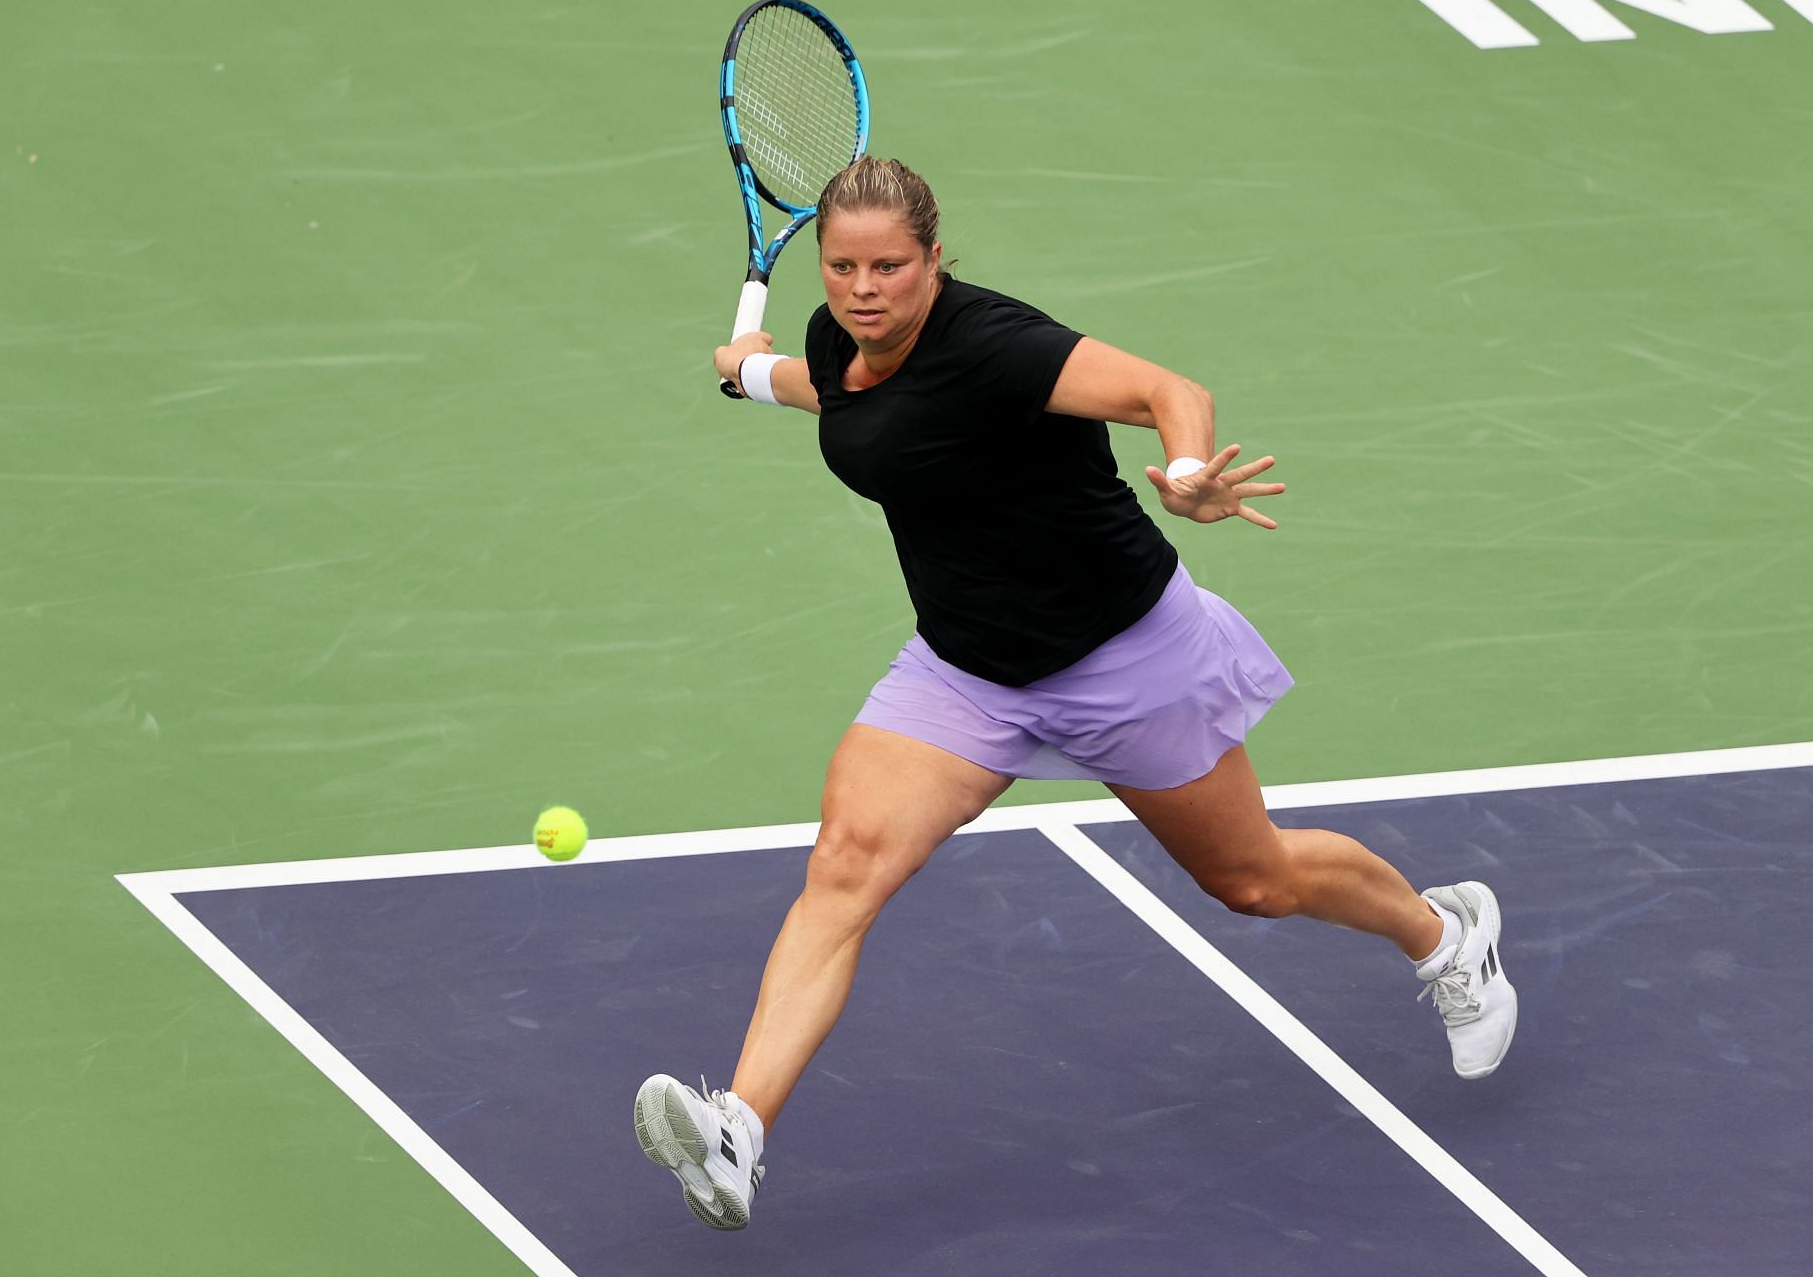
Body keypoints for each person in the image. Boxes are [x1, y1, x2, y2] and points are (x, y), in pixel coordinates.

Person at [632, 157, 1515, 1231]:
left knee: (1254, 880)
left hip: (1123, 658)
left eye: (892, 267)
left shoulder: (1000, 346)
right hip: (966, 672)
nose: (865, 288)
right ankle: (740, 1130)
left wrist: (1187, 470)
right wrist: (754, 372)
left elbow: (1164, 392)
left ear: (936, 259)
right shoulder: (834, 338)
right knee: (846, 865)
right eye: (844, 266)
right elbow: (846, 395)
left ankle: (1442, 933)